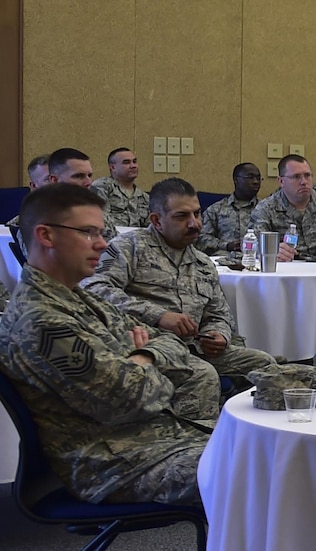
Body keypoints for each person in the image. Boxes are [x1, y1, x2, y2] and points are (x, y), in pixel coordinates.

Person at [0, 184, 217, 504]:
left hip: (156, 439)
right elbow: (131, 398)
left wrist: (138, 358)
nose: (102, 244)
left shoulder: (77, 297)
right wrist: (144, 359)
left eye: (101, 232)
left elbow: (172, 345)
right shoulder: (40, 322)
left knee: (274, 452)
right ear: (46, 236)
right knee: (263, 468)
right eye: (88, 232)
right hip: (115, 465)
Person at [83, 177, 277, 382]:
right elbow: (93, 289)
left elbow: (218, 312)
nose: (194, 223)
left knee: (264, 364)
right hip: (147, 345)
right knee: (203, 375)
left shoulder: (202, 262)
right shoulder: (130, 246)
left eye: (197, 213)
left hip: (195, 347)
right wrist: (158, 315)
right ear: (157, 220)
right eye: (182, 216)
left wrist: (217, 334)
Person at [198, 162, 265, 265]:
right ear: (236, 180)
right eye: (250, 177)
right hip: (223, 261)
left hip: (258, 261)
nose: (256, 182)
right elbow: (201, 240)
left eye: (258, 178)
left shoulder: (265, 209)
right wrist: (227, 245)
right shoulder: (216, 209)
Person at [91, 147, 148, 229]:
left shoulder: (144, 198)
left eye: (134, 161)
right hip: (109, 239)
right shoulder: (102, 187)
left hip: (137, 240)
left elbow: (150, 227)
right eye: (126, 162)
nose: (133, 166)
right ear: (113, 167)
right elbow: (99, 220)